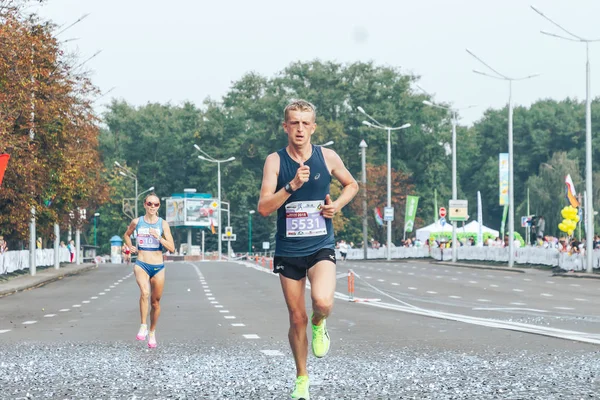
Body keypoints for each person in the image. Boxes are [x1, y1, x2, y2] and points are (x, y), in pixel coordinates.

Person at [257, 99, 358, 399]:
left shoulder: (327, 157)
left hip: (320, 245)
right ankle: (302, 377)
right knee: (296, 317)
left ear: (314, 127)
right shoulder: (275, 162)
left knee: (323, 302)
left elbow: (352, 184)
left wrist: (336, 206)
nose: (300, 129)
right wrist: (290, 187)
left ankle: (320, 323)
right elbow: (263, 207)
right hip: (288, 250)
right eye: (294, 123)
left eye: (305, 123)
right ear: (285, 126)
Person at [123, 193, 175, 349]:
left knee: (156, 302)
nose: (152, 207)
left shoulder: (163, 224)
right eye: (150, 204)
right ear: (144, 204)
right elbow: (127, 234)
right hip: (141, 263)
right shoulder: (137, 222)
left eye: (156, 205)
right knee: (144, 293)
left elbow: (172, 248)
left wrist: (159, 237)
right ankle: (143, 325)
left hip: (158, 266)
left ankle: (152, 332)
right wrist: (130, 245)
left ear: (159, 207)